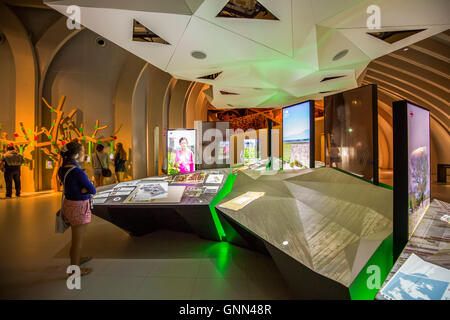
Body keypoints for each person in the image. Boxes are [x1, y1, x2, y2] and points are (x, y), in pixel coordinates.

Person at [58, 141, 96, 276]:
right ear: (76, 154)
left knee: (78, 238)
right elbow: (92, 189)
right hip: (78, 207)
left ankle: (78, 258)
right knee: (77, 241)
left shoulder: (63, 168)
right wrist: (86, 188)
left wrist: (83, 189)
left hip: (69, 204)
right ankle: (74, 270)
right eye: (83, 151)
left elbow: (75, 188)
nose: (84, 154)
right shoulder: (77, 172)